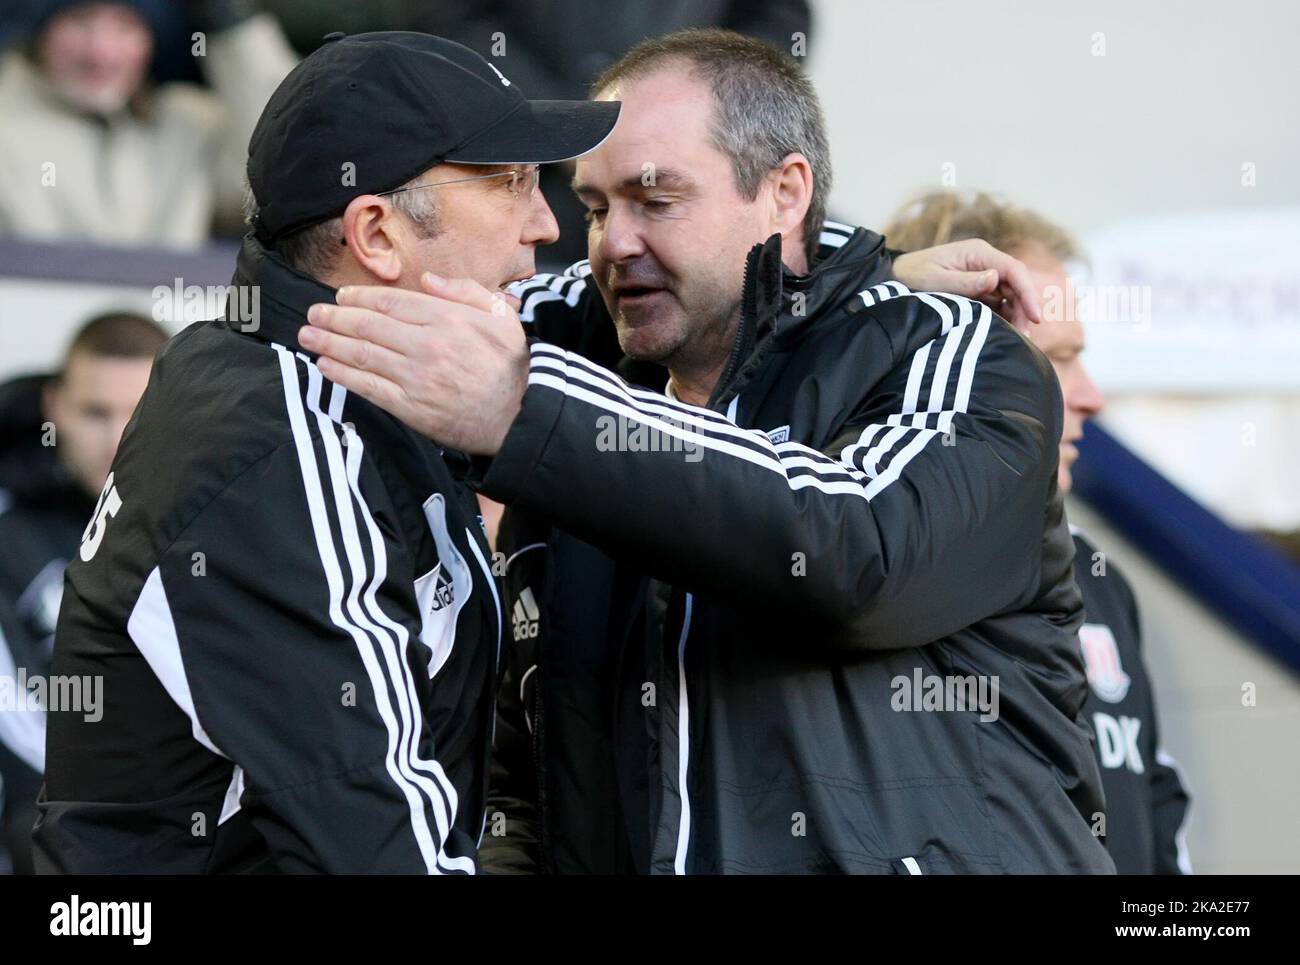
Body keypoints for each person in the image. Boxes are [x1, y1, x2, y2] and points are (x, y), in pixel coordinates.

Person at [300, 29, 1114, 874]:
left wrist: (527, 411)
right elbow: (384, 300)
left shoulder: (956, 353)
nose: (613, 240)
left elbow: (856, 550)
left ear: (785, 192)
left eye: (656, 199)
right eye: (595, 206)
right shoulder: (582, 379)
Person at [33, 31, 619, 874]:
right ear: (376, 236)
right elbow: (383, 849)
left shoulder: (346, 373)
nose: (546, 223)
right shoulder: (274, 441)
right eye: (512, 181)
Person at [884, 191, 1193, 874]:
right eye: (1057, 358)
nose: (1090, 394)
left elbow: (1155, 804)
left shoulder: (1100, 579)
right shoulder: (883, 575)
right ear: (956, 371)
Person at [0, 311, 166, 874]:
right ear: (54, 407)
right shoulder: (7, 529)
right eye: (95, 412)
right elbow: (11, 706)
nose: (116, 437)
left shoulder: (224, 522)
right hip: (52, 803)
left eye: (137, 412)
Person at [0, 0, 296, 246]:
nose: (101, 52)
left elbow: (285, 162)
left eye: (125, 27)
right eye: (79, 22)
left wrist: (232, 30)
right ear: (38, 34)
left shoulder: (186, 124)